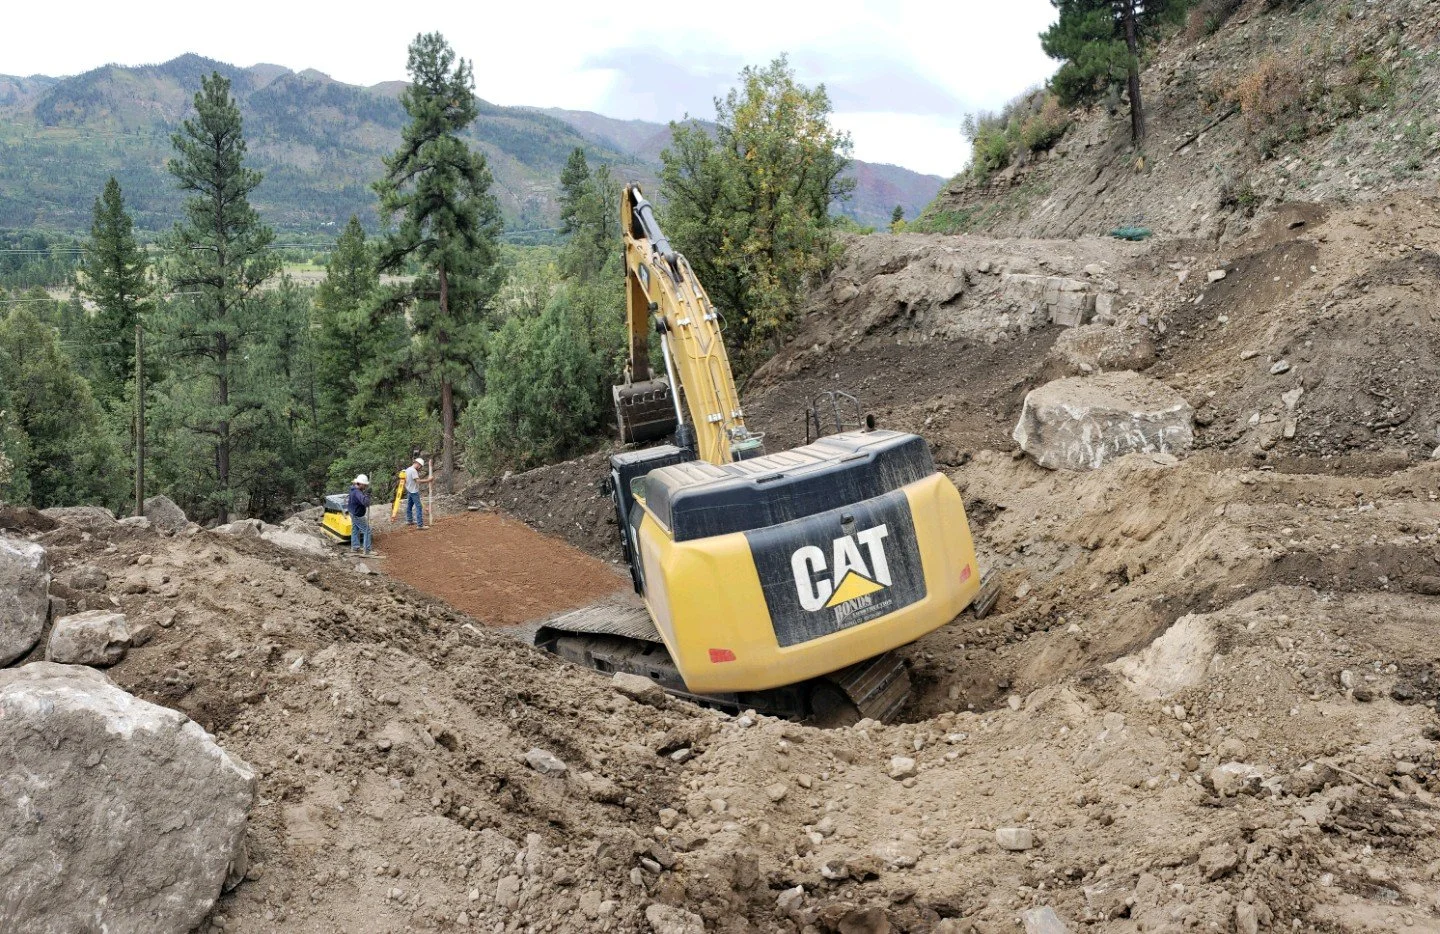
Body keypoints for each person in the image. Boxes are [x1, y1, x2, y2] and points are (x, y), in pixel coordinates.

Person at [347, 474, 378, 556]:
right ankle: (367, 550)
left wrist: (366, 494)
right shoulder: (357, 492)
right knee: (367, 530)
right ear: (359, 484)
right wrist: (367, 494)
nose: (365, 487)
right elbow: (366, 503)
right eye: (364, 485)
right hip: (357, 514)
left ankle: (355, 547)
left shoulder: (353, 489)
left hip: (353, 512)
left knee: (355, 529)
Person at [404, 456, 433, 529]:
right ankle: (420, 525)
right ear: (418, 464)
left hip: (409, 490)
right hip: (413, 491)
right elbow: (418, 481)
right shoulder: (413, 471)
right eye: (420, 466)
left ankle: (409, 520)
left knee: (409, 506)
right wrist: (428, 480)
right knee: (419, 507)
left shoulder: (407, 469)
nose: (419, 468)